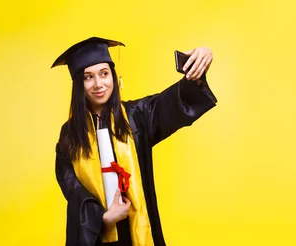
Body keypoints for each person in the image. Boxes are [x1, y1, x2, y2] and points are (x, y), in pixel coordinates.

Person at [51, 37, 217, 246]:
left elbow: (173, 102)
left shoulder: (137, 116)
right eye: (88, 77)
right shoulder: (70, 134)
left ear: (113, 75)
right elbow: (72, 189)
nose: (98, 84)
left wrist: (198, 70)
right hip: (96, 236)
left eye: (104, 73)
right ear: (78, 85)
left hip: (137, 231)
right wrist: (104, 218)